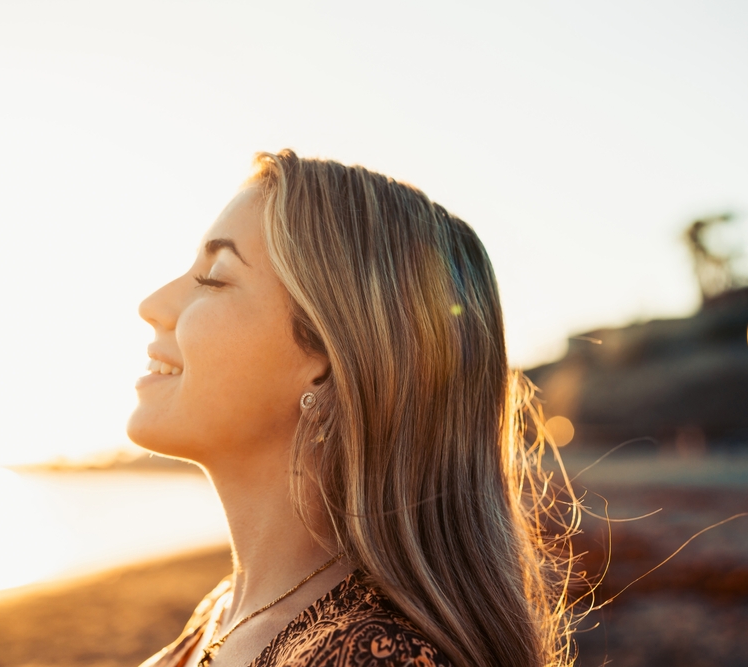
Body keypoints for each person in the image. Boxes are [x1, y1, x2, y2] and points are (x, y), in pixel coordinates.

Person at [127, 150, 575, 667]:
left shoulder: (376, 658)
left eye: (215, 278)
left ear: (328, 358)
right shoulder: (229, 608)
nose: (152, 305)